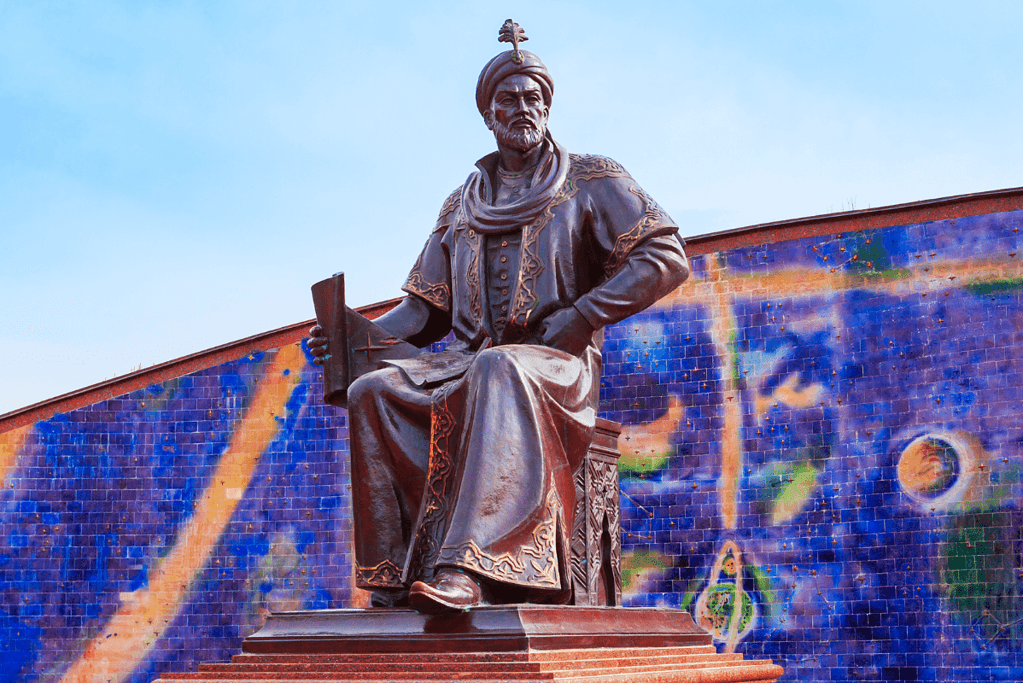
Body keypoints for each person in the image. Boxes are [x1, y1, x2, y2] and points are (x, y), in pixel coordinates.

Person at [309, 22, 689, 614]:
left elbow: (665, 257)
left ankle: (472, 569)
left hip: (554, 365)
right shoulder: (461, 203)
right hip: (468, 361)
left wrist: (585, 314)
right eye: (509, 98)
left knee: (498, 368)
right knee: (373, 390)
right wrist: (354, 340)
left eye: (534, 97)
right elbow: (422, 308)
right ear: (488, 113)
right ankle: (389, 578)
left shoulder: (592, 178)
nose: (524, 108)